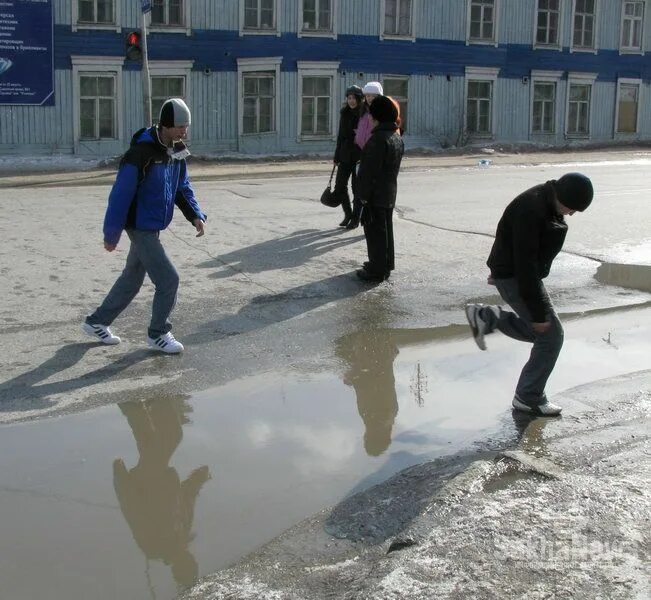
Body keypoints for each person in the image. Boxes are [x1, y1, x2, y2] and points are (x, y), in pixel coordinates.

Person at [82, 98, 206, 354]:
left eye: (186, 126)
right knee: (169, 279)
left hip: (153, 225)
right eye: (179, 126)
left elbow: (182, 186)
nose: (184, 131)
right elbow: (120, 195)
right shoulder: (141, 154)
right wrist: (111, 234)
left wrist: (195, 214)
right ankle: (158, 333)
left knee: (132, 279)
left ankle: (97, 322)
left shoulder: (176, 151)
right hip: (140, 227)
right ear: (165, 125)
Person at [464, 173, 594, 416]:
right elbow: (526, 264)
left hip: (513, 274)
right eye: (573, 208)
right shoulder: (532, 208)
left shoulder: (547, 201)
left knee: (543, 333)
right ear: (563, 196)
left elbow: (517, 244)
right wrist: (537, 312)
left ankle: (486, 317)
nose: (572, 214)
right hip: (518, 277)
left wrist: (500, 268)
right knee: (551, 336)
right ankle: (528, 397)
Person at [355, 95, 405, 282]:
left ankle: (376, 269)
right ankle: (385, 264)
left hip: (374, 194)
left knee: (375, 232)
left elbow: (368, 172)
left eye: (371, 114)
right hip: (388, 191)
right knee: (385, 230)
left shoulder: (377, 140)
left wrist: (362, 196)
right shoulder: (396, 137)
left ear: (377, 116)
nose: (368, 117)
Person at [333, 85, 363, 229]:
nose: (351, 101)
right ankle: (348, 214)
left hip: (359, 155)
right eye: (349, 98)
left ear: (359, 99)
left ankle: (356, 218)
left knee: (357, 188)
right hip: (344, 154)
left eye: (354, 98)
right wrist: (336, 155)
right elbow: (340, 136)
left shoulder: (364, 114)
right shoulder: (344, 113)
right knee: (340, 186)